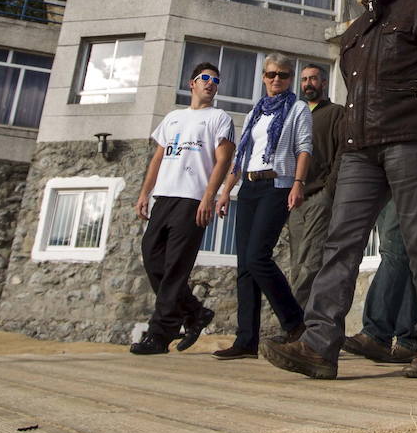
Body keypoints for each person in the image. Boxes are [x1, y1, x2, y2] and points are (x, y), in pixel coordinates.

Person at [261, 0, 417, 380]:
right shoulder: (355, 33)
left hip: (412, 141)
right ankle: (318, 345)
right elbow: (356, 95)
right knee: (340, 244)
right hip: (359, 150)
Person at [131, 61, 236, 355]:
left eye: (216, 80)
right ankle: (194, 312)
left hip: (192, 200)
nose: (210, 83)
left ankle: (160, 335)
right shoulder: (173, 117)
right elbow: (158, 158)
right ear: (192, 83)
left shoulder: (220, 118)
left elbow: (224, 161)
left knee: (176, 268)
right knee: (152, 258)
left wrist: (208, 197)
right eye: (205, 78)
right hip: (163, 198)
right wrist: (144, 193)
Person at [212, 54, 313, 359]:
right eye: (271, 75)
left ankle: (295, 323)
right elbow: (242, 153)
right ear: (264, 77)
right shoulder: (256, 110)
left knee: (258, 257)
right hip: (250, 187)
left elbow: (304, 148)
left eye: (282, 75)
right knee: (244, 265)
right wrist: (226, 191)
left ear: (290, 78)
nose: (276, 80)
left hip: (277, 185)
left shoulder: (298, 109)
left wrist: (298, 183)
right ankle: (246, 340)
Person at [284, 63, 345, 305]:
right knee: (297, 261)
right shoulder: (295, 115)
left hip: (320, 195)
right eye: (304, 80)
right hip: (294, 198)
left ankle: (297, 324)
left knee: (311, 261)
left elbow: (343, 151)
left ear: (324, 83)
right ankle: (298, 323)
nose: (308, 84)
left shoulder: (335, 113)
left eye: (313, 79)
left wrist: (330, 189)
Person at [340, 199, 417, 364]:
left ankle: (376, 333)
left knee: (394, 250)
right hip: (383, 181)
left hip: (406, 179)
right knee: (398, 255)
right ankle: (409, 339)